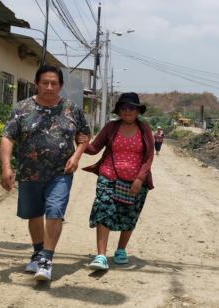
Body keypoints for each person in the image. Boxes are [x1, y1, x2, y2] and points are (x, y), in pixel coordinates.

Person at [0, 65, 90, 281]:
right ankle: (38, 252)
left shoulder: (71, 109)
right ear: (37, 83)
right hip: (29, 172)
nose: (49, 87)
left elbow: (84, 136)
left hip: (61, 172)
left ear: (60, 86)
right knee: (34, 214)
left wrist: (76, 156)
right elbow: (7, 137)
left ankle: (46, 261)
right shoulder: (22, 108)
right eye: (45, 82)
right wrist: (6, 167)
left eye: (54, 83)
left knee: (55, 211)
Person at [82, 92, 154, 270]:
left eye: (131, 108)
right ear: (118, 111)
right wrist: (83, 143)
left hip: (136, 181)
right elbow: (94, 149)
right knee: (104, 209)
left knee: (129, 214)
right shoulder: (111, 127)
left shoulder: (145, 129)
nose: (127, 111)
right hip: (109, 176)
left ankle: (121, 250)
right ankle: (101, 256)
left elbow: (149, 157)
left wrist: (139, 179)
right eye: (123, 107)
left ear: (138, 111)